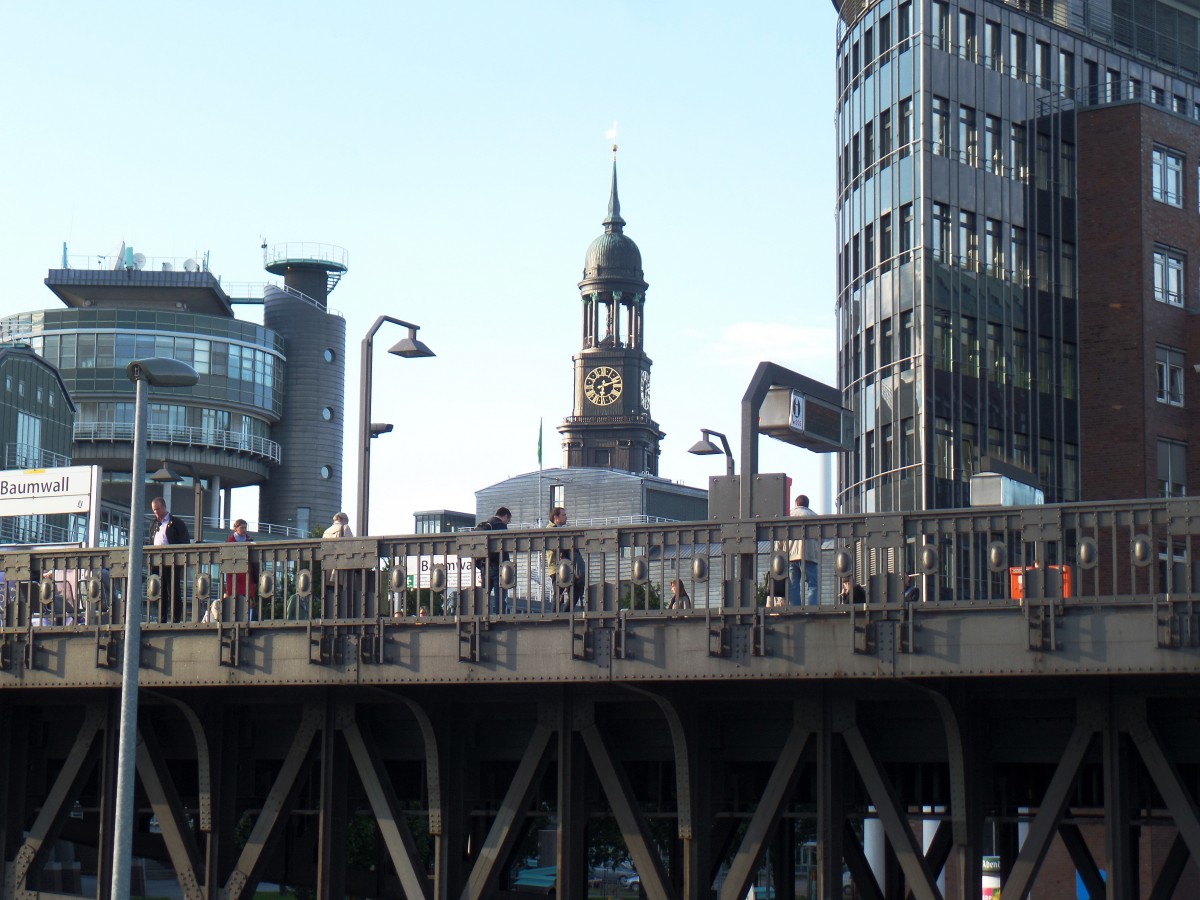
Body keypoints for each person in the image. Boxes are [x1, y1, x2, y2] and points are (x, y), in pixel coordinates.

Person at [150, 496, 190, 623]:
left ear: (164, 507)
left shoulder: (176, 523)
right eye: (154, 510)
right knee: (159, 590)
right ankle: (161, 618)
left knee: (173, 590)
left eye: (157, 509)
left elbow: (184, 541)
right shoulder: (154, 524)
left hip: (172, 561)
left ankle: (175, 618)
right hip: (157, 562)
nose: (156, 512)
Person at [545, 507, 585, 611]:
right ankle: (557, 615)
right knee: (560, 591)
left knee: (567, 591)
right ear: (556, 517)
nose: (566, 517)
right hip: (558, 567)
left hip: (565, 567)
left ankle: (561, 614)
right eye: (563, 515)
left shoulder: (558, 529)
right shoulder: (551, 529)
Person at [476, 507, 511, 614]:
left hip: (484, 566)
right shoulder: (500, 526)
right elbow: (505, 546)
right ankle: (499, 616)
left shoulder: (485, 525)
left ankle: (480, 615)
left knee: (484, 593)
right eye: (508, 520)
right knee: (500, 593)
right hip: (498, 565)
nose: (507, 523)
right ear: (505, 516)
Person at [220, 519, 256, 622]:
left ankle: (246, 621)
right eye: (242, 528)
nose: (244, 530)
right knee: (234, 597)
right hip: (234, 575)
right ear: (236, 528)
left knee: (247, 597)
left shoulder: (250, 540)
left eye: (245, 527)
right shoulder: (230, 542)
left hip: (247, 575)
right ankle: (233, 620)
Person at [788, 494, 820, 606]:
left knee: (793, 585)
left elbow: (780, 538)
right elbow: (822, 537)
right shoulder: (815, 516)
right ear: (807, 504)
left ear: (796, 504)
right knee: (813, 585)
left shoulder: (788, 515)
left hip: (791, 555)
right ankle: (812, 610)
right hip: (810, 555)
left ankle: (795, 611)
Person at [322, 512, 354, 617]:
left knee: (329, 597)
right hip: (339, 569)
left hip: (327, 568)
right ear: (343, 519)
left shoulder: (326, 532)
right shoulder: (345, 528)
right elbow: (351, 548)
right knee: (342, 598)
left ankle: (328, 617)